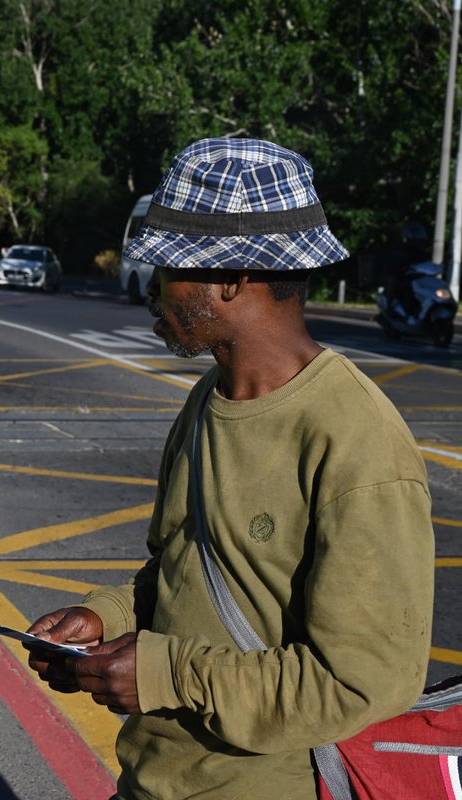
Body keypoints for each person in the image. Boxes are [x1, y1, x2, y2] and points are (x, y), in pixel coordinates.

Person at [24, 138, 435, 799]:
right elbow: (181, 572)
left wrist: (168, 674)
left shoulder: (355, 441)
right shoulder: (207, 401)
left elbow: (366, 682)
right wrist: (103, 621)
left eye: (166, 269)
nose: (153, 290)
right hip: (155, 778)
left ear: (230, 277)